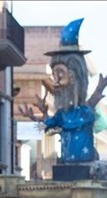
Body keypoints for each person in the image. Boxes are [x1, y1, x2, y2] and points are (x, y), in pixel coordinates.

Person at [44, 19, 96, 163]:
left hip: (84, 163)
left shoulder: (85, 112)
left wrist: (60, 126)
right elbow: (52, 122)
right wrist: (45, 121)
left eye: (60, 75)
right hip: (66, 162)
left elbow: (73, 123)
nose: (55, 82)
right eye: (54, 76)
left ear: (73, 76)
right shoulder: (62, 113)